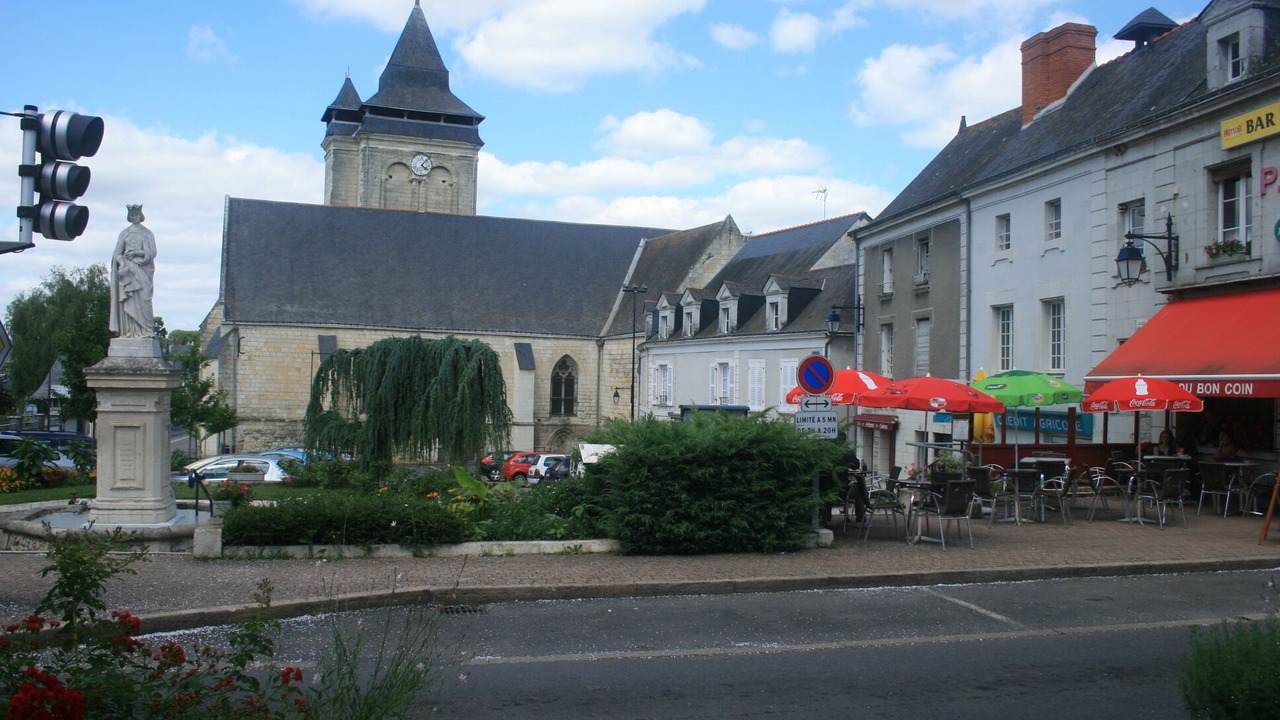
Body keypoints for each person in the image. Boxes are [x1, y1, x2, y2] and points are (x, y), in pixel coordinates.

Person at [109, 204, 157, 338]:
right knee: (129, 300)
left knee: (144, 299)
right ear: (129, 217)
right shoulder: (124, 233)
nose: (134, 217)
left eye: (136, 215)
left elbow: (152, 252)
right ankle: (129, 330)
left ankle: (146, 330)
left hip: (142, 270)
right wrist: (123, 264)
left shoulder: (147, 233)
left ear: (140, 216)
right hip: (128, 272)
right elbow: (117, 254)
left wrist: (137, 253)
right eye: (132, 215)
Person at [843, 444, 872, 528]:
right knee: (859, 491)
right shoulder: (845, 452)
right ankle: (861, 519)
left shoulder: (826, 451)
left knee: (855, 488)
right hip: (842, 489)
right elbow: (855, 464)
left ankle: (825, 518)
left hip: (827, 488)